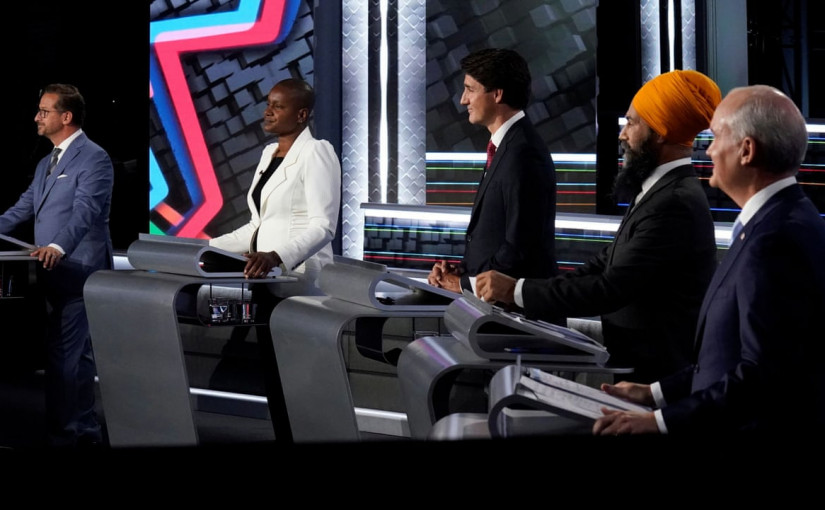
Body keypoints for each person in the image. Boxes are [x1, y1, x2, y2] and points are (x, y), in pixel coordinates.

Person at [593, 85, 825, 435]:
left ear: (746, 150)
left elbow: (762, 375)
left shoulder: (776, 239)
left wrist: (658, 422)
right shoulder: (771, 223)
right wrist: (655, 393)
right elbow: (726, 357)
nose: (709, 149)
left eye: (716, 137)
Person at [475, 70, 721, 383]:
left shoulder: (674, 202)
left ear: (660, 132)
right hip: (637, 366)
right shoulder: (661, 190)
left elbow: (610, 288)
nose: (622, 135)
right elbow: (605, 262)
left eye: (631, 123)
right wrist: (522, 289)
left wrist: (516, 290)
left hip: (654, 376)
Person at [208, 78, 341, 441]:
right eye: (268, 103)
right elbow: (258, 224)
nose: (268, 111)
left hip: (298, 282)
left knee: (298, 381)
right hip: (265, 283)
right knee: (275, 378)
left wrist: (277, 257)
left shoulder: (317, 153)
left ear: (301, 114)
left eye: (278, 106)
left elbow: (323, 226)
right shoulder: (269, 154)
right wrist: (205, 247)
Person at [0, 83, 114, 447]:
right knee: (74, 357)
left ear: (66, 117)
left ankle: (66, 436)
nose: (36, 117)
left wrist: (57, 246)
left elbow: (85, 211)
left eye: (44, 111)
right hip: (53, 273)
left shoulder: (94, 158)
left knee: (67, 356)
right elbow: (22, 209)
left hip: (80, 270)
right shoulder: (44, 163)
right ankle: (82, 431)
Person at [427, 48, 558, 309]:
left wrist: (464, 284)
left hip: (516, 317)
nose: (463, 100)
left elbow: (519, 246)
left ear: (497, 94)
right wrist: (462, 272)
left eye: (470, 89)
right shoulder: (508, 146)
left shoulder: (524, 153)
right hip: (492, 308)